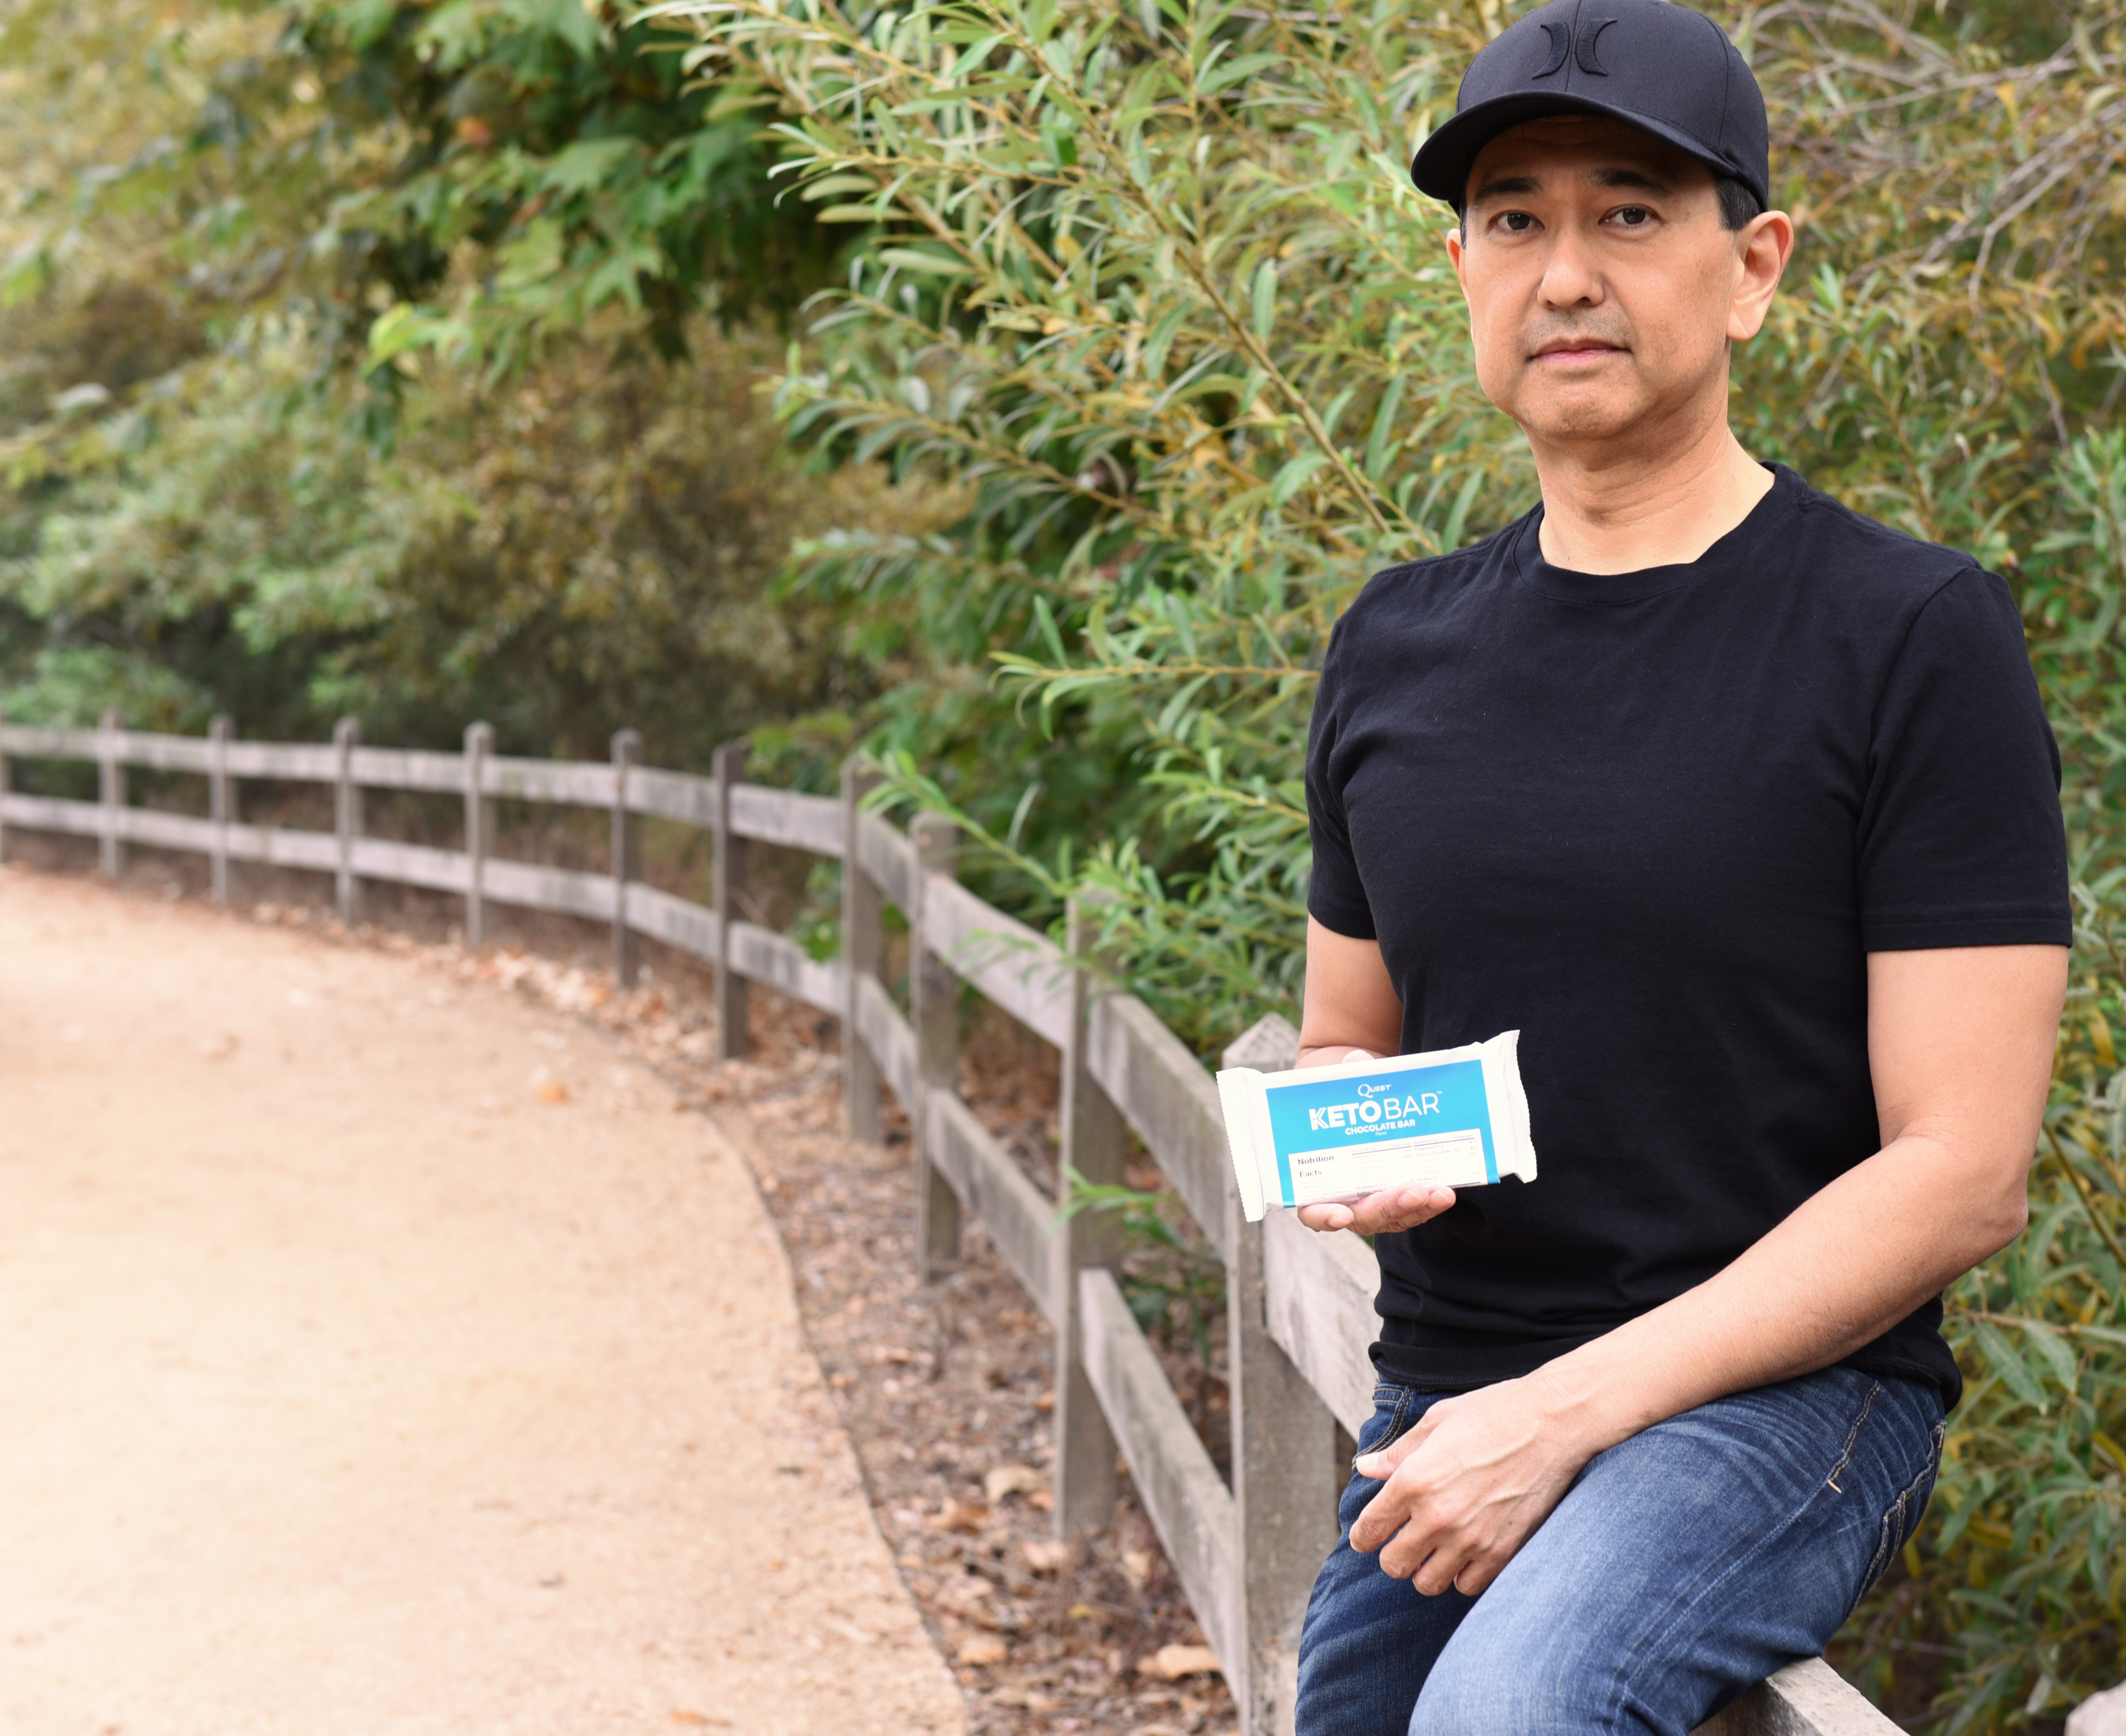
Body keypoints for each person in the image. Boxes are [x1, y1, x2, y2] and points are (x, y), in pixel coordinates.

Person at [1290, 1, 2072, 1731]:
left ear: (1755, 263)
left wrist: (1568, 1410)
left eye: (1631, 211)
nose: (1566, 271)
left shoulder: (1910, 634)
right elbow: (1342, 1029)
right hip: (1450, 1392)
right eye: (1517, 218)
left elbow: (1963, 1173)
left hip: (1781, 1407)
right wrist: (1362, 1137)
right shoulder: (1396, 644)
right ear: (1464, 266)